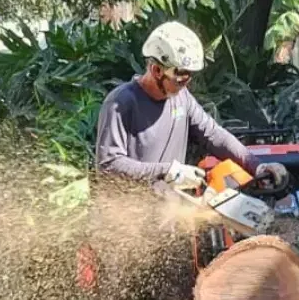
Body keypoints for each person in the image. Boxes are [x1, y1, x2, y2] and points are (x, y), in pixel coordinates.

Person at [94, 21, 289, 191]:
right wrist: (169, 171)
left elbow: (214, 135)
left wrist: (256, 166)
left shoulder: (181, 98)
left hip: (170, 216)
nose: (186, 83)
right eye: (180, 77)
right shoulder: (121, 103)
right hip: (132, 221)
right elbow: (109, 165)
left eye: (190, 76)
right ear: (156, 70)